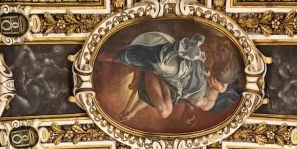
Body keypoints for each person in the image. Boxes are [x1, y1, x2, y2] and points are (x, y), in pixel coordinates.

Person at [98, 31, 242, 126]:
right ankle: (126, 60)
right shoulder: (192, 72)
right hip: (171, 67)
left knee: (164, 110)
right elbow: (161, 62)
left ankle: (149, 71)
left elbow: (156, 97)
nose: (219, 87)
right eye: (216, 78)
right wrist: (119, 57)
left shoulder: (207, 95)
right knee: (162, 68)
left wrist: (133, 111)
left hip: (170, 85)